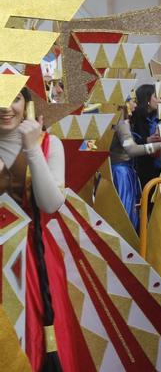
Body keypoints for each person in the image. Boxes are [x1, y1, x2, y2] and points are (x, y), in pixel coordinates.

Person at [0, 89, 81, 369]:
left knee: (33, 340)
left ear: (28, 104)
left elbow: (50, 204)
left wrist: (32, 148)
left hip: (36, 263)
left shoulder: (51, 144)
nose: (6, 107)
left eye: (15, 98)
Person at [109, 99, 161, 231]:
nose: (135, 104)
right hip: (121, 174)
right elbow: (131, 150)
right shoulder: (120, 122)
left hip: (120, 171)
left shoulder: (116, 120)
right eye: (132, 101)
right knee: (126, 217)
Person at [130, 84, 161, 192]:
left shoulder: (159, 116)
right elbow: (130, 143)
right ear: (147, 99)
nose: (159, 100)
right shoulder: (135, 118)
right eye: (155, 96)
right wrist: (147, 140)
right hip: (142, 166)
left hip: (158, 165)